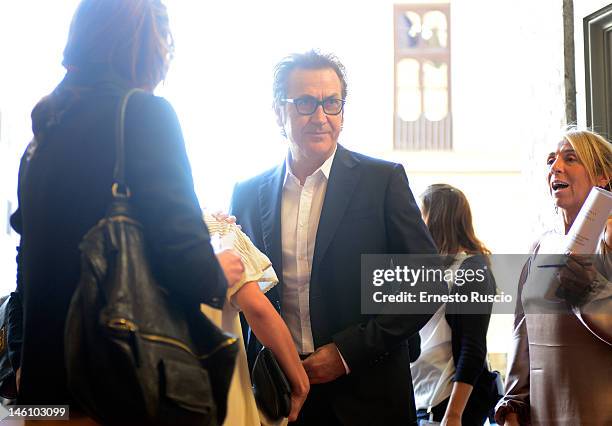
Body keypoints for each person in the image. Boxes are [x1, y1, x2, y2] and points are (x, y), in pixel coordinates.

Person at [8, 0, 243, 412]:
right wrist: (217, 271)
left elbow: (27, 262)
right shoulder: (144, 115)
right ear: (150, 43)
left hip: (43, 390)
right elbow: (185, 257)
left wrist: (20, 359)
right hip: (118, 383)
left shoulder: (43, 132)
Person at [229, 50, 441, 425]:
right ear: (280, 112)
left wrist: (346, 353)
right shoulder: (246, 194)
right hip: (283, 401)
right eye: (306, 103)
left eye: (332, 103)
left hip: (370, 396)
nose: (320, 117)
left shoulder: (382, 182)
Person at [495, 129, 612, 425]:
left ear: (603, 176)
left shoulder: (609, 240)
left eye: (570, 158)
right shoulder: (540, 246)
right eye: (551, 160)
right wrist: (513, 404)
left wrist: (590, 290)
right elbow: (522, 333)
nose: (555, 167)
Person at [201, 214, 309, 425]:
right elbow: (257, 308)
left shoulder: (120, 247)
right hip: (221, 401)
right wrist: (300, 382)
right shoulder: (215, 228)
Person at [412, 184, 498, 426]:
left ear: (437, 218)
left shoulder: (471, 270)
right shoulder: (433, 270)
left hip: (446, 405)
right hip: (422, 399)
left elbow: (473, 348)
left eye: (422, 214)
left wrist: (454, 415)